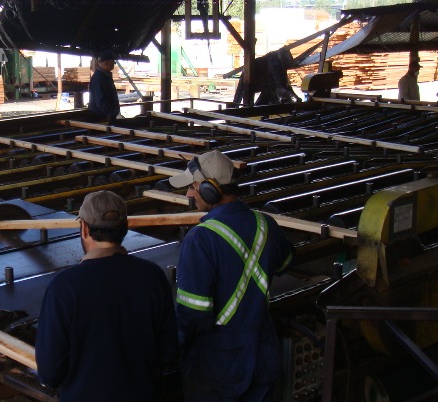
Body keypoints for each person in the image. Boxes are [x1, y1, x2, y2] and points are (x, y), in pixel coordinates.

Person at [167, 151, 294, 402]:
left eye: (193, 187)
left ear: (209, 188)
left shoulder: (200, 239)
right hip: (262, 354)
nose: (189, 195)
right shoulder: (266, 224)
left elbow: (193, 316)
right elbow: (285, 262)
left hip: (217, 366)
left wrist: (169, 351)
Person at [35, 190, 179, 402]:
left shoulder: (64, 287)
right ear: (125, 228)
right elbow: (169, 354)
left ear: (83, 228)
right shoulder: (152, 276)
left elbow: (50, 374)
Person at [88, 50, 121, 124]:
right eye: (112, 62)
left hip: (104, 117)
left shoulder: (103, 76)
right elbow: (101, 102)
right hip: (102, 119)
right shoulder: (99, 79)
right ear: (107, 63)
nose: (113, 65)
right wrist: (111, 114)